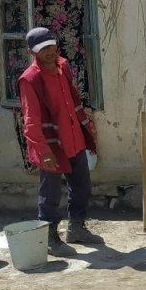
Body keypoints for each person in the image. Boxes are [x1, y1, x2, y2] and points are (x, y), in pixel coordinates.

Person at [18, 27, 103, 257]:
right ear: (32, 52)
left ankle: (76, 227)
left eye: (52, 46)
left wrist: (86, 129)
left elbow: (71, 101)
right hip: (51, 144)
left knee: (82, 185)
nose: (49, 52)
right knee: (51, 194)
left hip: (73, 138)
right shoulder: (30, 79)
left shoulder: (63, 66)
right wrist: (43, 150)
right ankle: (50, 237)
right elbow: (31, 119)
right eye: (43, 49)